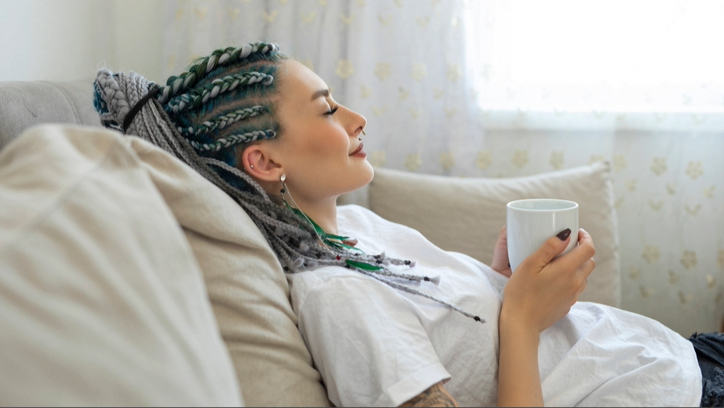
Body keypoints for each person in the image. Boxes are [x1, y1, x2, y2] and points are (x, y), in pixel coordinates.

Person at [93, 42, 722, 407]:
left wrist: (503, 283)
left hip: (673, 356)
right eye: (327, 110)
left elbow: (467, 339)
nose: (356, 118)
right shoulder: (336, 298)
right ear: (265, 162)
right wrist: (522, 317)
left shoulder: (359, 227)